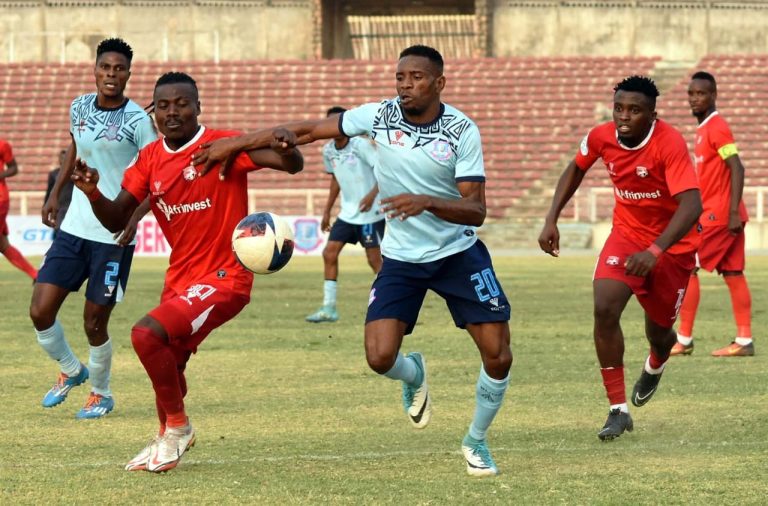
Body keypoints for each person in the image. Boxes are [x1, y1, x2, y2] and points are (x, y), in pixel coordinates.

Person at [193, 45, 513, 477]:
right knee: (379, 358)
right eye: (400, 77)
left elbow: (476, 210)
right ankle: (413, 374)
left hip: (458, 253)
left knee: (498, 356)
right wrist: (235, 143)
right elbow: (308, 130)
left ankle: (475, 440)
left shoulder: (461, 130)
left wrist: (427, 202)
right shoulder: (379, 116)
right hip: (401, 257)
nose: (405, 85)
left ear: (439, 83)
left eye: (416, 77)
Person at [71, 72, 303, 472]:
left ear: (198, 107)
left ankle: (178, 428)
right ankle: (165, 437)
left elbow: (290, 164)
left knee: (145, 334)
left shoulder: (221, 145)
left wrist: (283, 145)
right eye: (163, 106)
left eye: (182, 103)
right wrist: (93, 192)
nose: (172, 112)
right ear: (154, 113)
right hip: (180, 280)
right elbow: (116, 218)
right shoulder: (149, 159)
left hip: (225, 279)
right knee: (170, 366)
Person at [538, 76, 702, 441]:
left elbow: (692, 204)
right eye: (619, 108)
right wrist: (551, 218)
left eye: (634, 110)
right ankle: (618, 410)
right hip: (626, 236)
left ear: (652, 115)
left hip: (672, 248)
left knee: (659, 333)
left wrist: (655, 251)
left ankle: (656, 362)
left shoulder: (669, 142)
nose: (624, 117)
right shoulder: (601, 136)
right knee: (605, 307)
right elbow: (576, 167)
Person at [30, 38, 157, 420]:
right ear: (95, 70)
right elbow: (75, 148)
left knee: (94, 323)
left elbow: (157, 178)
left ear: (128, 74)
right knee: (40, 311)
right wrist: (56, 194)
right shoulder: (79, 106)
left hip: (113, 238)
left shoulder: (139, 121)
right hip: (73, 229)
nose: (111, 74)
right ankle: (72, 370)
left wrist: (134, 218)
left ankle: (101, 394)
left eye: (119, 68)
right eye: (105, 67)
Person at [671, 71, 754, 357]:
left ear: (714, 95)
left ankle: (683, 339)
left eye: (701, 93)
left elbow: (737, 166)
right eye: (691, 94)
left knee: (688, 266)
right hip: (728, 213)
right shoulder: (704, 129)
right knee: (733, 272)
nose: (695, 99)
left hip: (721, 215)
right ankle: (744, 341)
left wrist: (731, 212)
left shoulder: (716, 127)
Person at [305, 106, 383, 323]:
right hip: (348, 213)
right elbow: (335, 179)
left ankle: (389, 302)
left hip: (371, 213)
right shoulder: (328, 151)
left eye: (337, 122)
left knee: (374, 261)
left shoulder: (361, 145)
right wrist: (327, 211)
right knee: (329, 253)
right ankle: (329, 308)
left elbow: (383, 170)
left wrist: (371, 196)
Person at [0, 137, 39, 280]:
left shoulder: (2, 145)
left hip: (0, 199)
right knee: (3, 245)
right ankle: (36, 275)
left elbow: (13, 168)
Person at [44, 148, 75, 239]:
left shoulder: (75, 173)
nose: (63, 160)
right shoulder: (53, 174)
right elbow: (49, 191)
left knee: (69, 230)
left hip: (71, 205)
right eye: (61, 158)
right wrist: (45, 204)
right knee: (58, 229)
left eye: (65, 158)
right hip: (59, 206)